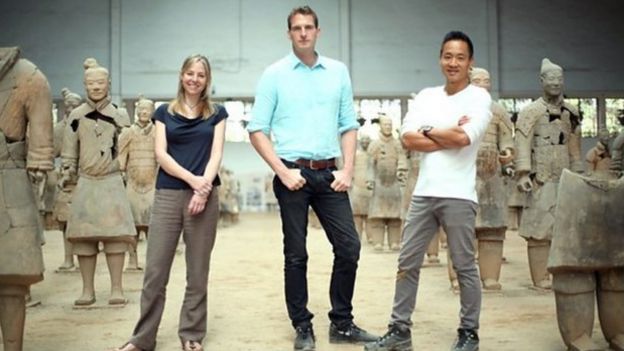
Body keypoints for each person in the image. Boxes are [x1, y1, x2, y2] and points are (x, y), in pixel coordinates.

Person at [247, 6, 377, 351]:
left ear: (318, 31)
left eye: (308, 27)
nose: (303, 33)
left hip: (330, 174)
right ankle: (302, 326)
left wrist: (347, 169)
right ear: (289, 34)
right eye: (296, 28)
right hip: (292, 174)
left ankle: (342, 323)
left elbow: (348, 124)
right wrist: (282, 170)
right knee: (296, 255)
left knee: (349, 247)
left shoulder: (337, 71)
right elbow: (257, 129)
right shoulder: (274, 74)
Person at [365, 31, 491, 351]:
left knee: (464, 265)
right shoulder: (425, 96)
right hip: (424, 194)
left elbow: (464, 139)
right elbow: (408, 140)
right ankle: (399, 330)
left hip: (459, 195)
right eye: (448, 56)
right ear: (440, 59)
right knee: (407, 262)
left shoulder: (479, 98)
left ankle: (468, 333)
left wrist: (427, 129)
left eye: (460, 57)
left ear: (470, 62)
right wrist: (444, 132)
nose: (453, 63)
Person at [115, 54, 227, 351]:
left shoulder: (217, 113)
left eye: (200, 75)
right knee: (155, 272)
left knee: (197, 270)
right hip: (168, 195)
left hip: (205, 197)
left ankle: (191, 334)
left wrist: (203, 191)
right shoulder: (164, 112)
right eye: (190, 73)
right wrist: (194, 182)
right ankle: (142, 339)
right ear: (181, 75)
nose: (194, 79)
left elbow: (216, 154)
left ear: (207, 79)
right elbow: (161, 155)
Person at [62, 58, 136, 306]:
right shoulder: (76, 115)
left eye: (100, 82)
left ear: (109, 84)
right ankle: (87, 290)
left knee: (115, 238)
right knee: (84, 239)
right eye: (91, 83)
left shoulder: (119, 114)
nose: (96, 87)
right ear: (84, 84)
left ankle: (116, 289)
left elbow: (128, 148)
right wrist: (68, 169)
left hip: (112, 181)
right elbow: (69, 149)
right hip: (86, 181)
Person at [0, 46, 54, 351]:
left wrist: (39, 161)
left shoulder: (28, 76)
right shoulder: (31, 75)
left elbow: (41, 149)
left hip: (11, 180)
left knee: (11, 276)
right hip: (13, 180)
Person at [514, 58, 583, 290]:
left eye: (559, 79)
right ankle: (540, 276)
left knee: (563, 227)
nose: (555, 83)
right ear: (541, 81)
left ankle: (560, 273)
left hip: (564, 177)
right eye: (551, 79)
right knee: (538, 229)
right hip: (540, 178)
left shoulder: (570, 112)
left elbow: (574, 145)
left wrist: (578, 171)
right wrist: (523, 173)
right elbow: (521, 143)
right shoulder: (530, 112)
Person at [118, 95, 158, 271]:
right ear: (136, 111)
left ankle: (152, 262)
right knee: (131, 226)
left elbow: (162, 157)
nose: (143, 112)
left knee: (152, 226)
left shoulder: (158, 132)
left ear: (151, 112)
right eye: (140, 109)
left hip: (152, 184)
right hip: (132, 185)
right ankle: (132, 260)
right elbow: (120, 157)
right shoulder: (128, 133)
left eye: (147, 109)